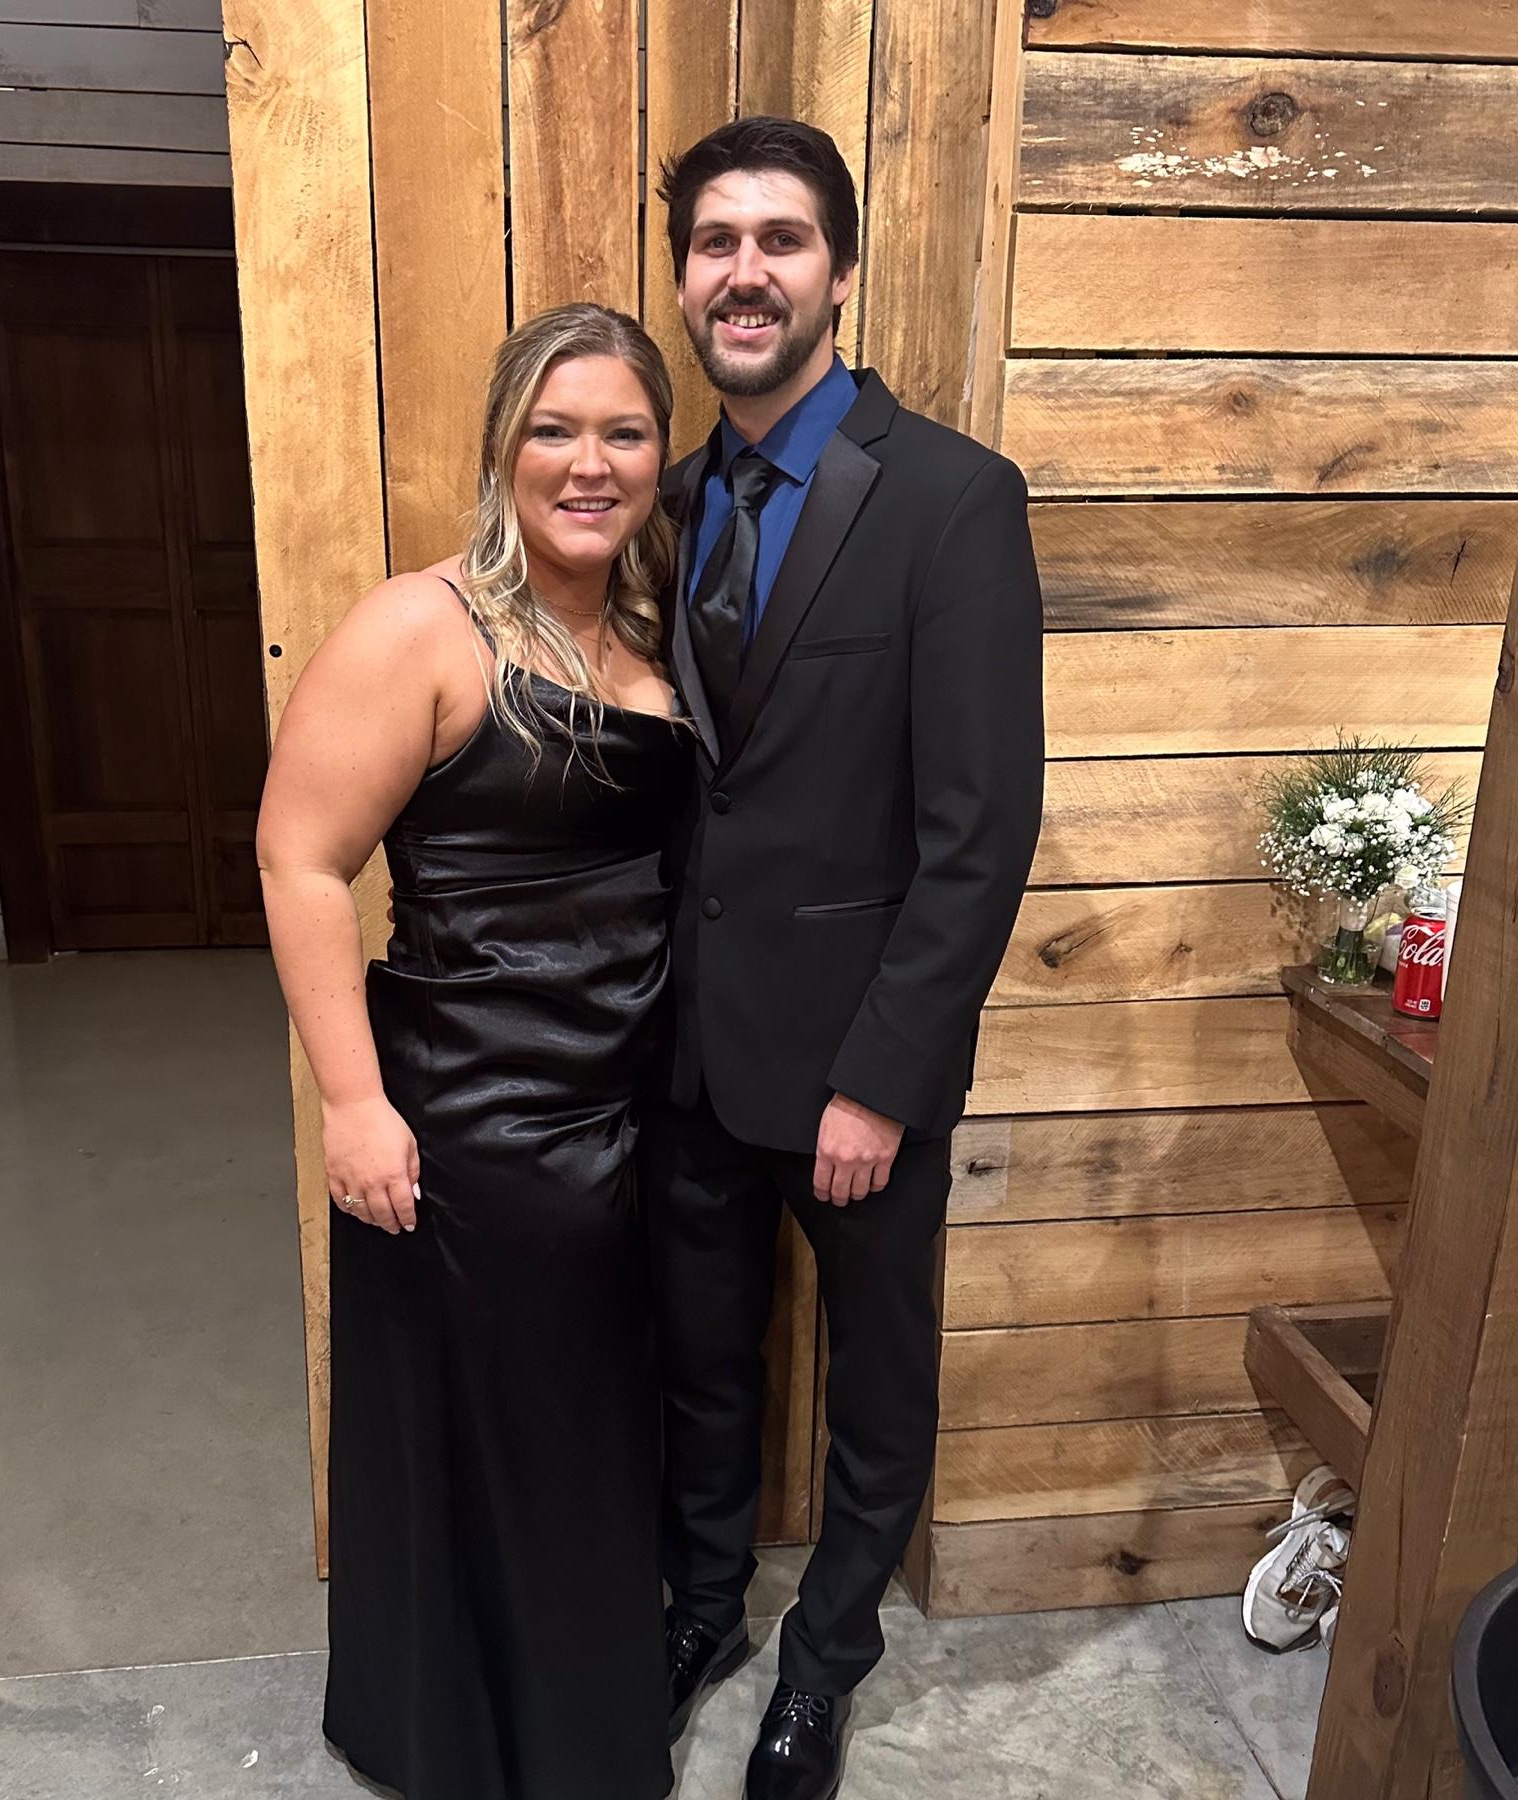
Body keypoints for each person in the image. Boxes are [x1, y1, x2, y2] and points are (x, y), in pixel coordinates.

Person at [645, 117, 1046, 1800]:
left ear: (840, 272)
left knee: (876, 1389)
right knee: (698, 1364)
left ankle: (823, 1668)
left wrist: (883, 1078)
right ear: (684, 278)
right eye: (715, 241)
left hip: (859, 1064)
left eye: (783, 239)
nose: (745, 272)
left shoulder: (952, 498)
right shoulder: (661, 503)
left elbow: (981, 830)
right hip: (684, 1055)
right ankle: (700, 1612)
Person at [255, 303, 692, 1800]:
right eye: (554, 430)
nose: (590, 463)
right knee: (505, 1447)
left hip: (628, 1108)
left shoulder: (652, 627)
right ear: (505, 448)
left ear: (661, 454)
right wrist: (352, 1104)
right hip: (473, 1118)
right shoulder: (420, 627)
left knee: (583, 1444)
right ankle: (481, 1745)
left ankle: (574, 1726)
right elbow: (301, 860)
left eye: (624, 431)